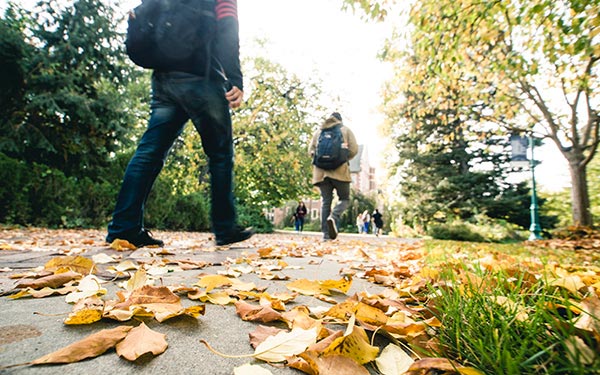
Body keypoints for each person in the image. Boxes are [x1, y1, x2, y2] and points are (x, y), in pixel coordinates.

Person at [106, 0, 253, 248]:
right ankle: (225, 228)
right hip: (201, 78)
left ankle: (124, 228)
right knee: (220, 154)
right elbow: (228, 29)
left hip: (164, 79)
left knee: (149, 152)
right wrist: (235, 78)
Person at [309, 112, 358, 240]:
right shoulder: (345, 130)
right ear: (340, 120)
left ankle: (326, 235)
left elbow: (311, 151)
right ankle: (334, 216)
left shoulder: (318, 132)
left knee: (326, 202)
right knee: (344, 199)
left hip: (321, 173)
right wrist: (343, 158)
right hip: (340, 171)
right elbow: (354, 150)